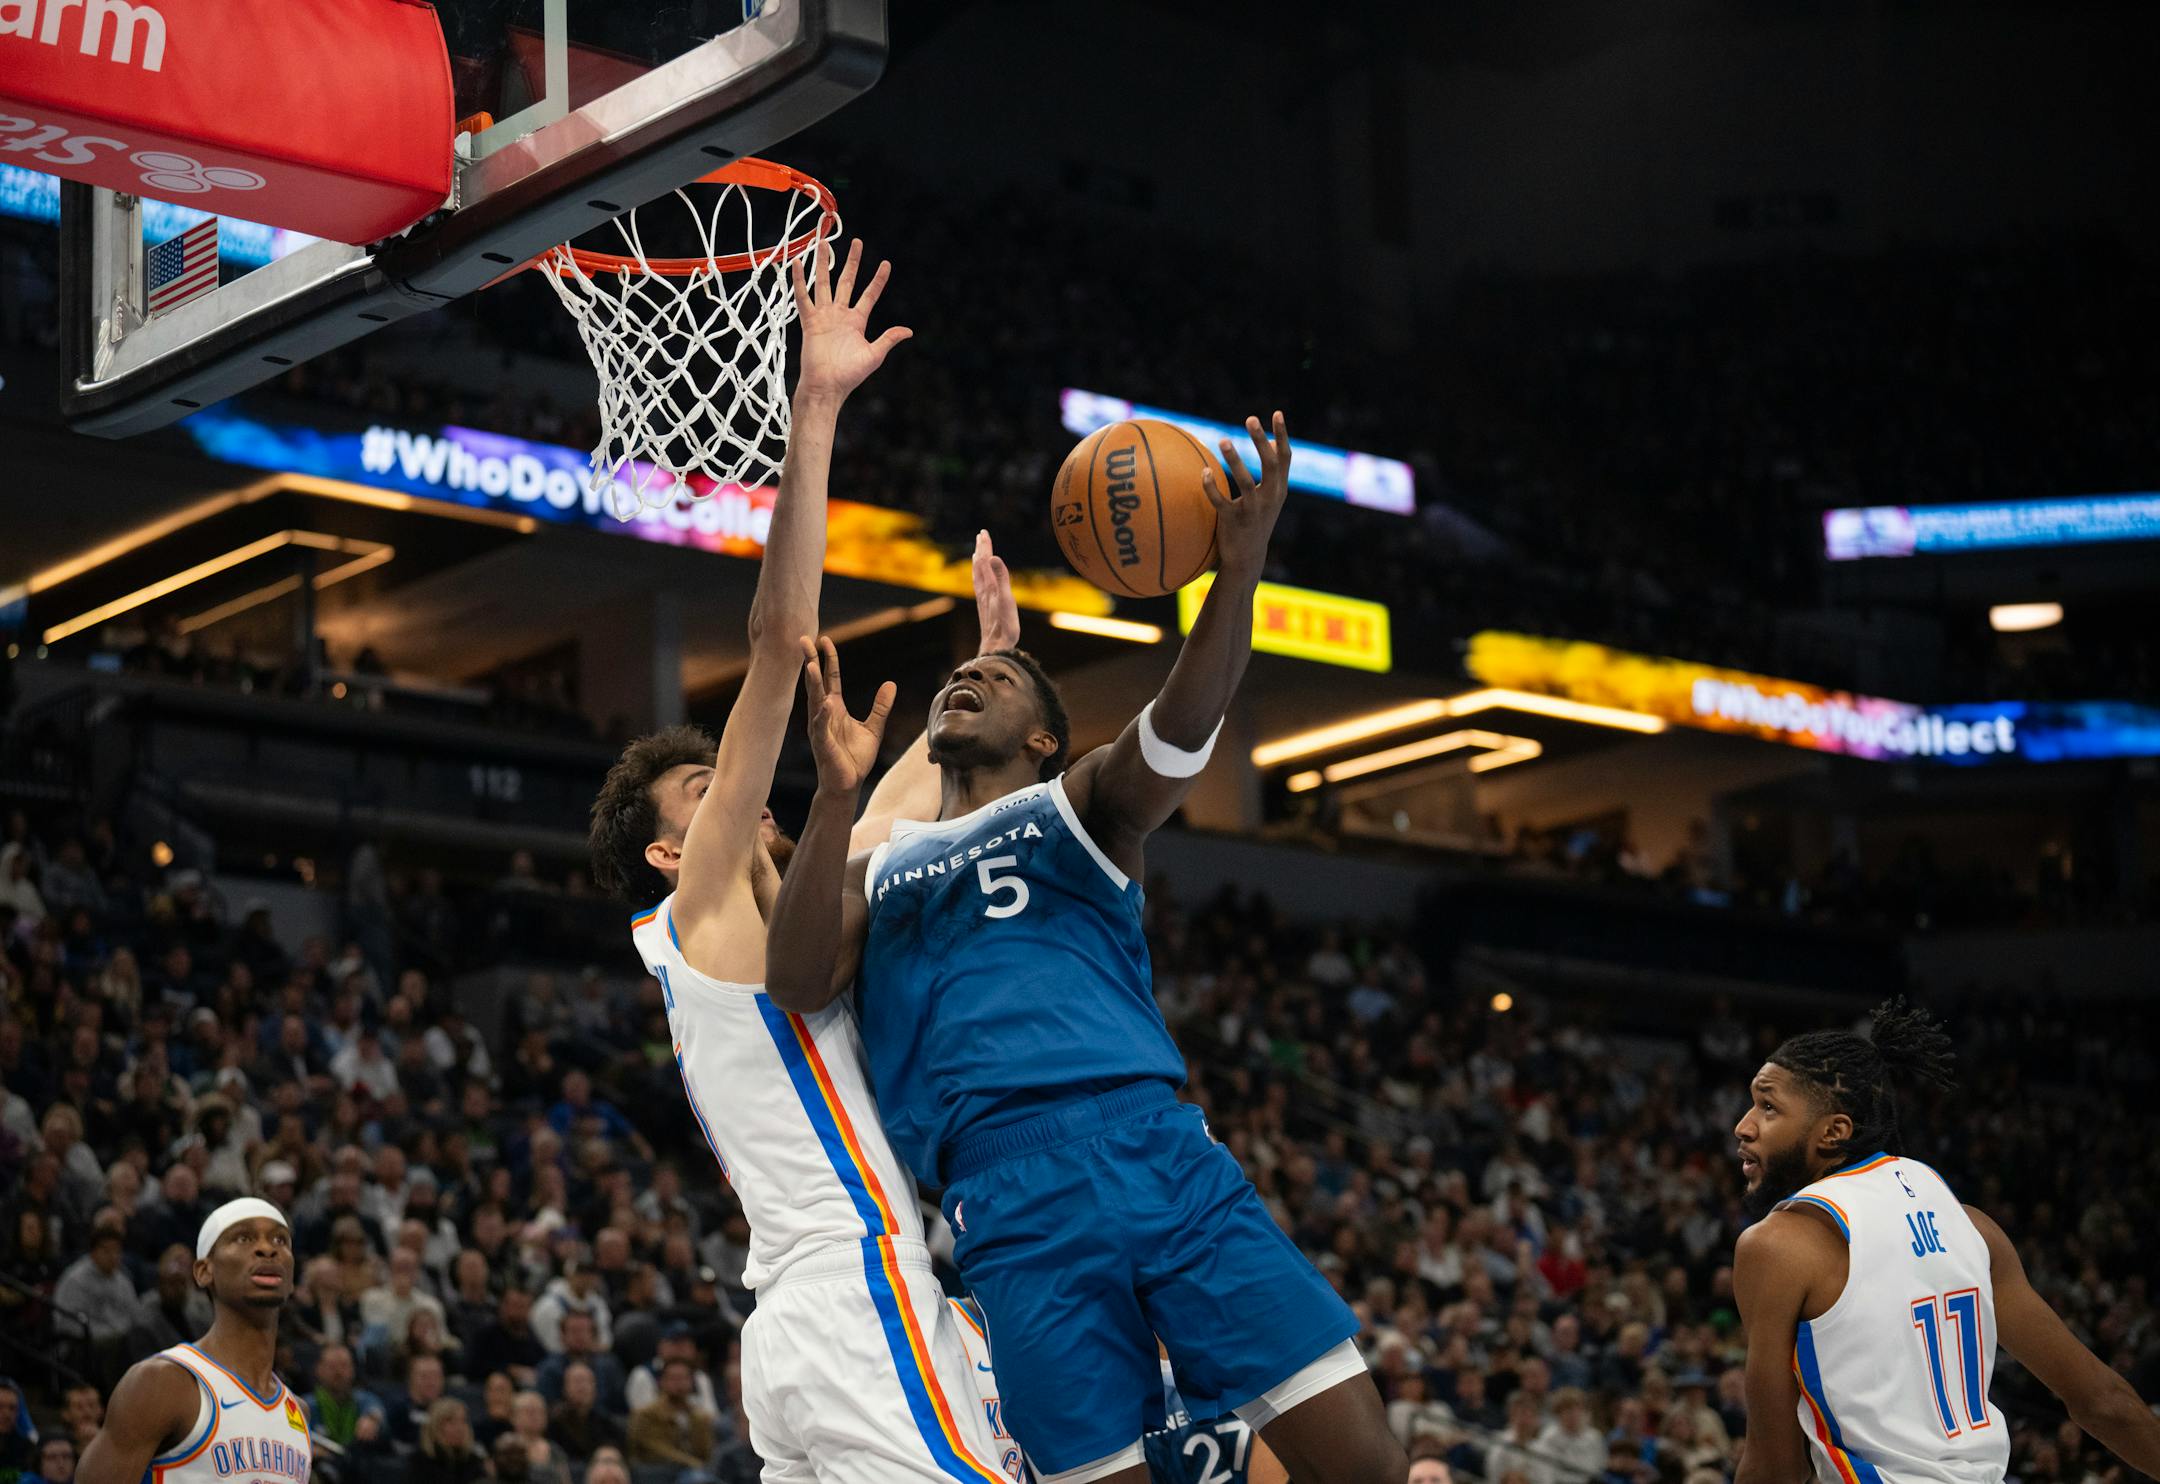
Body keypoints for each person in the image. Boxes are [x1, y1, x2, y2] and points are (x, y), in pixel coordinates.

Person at [766, 413, 1405, 1484]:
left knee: (1367, 1467)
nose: (963, 679)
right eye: (954, 677)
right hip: (1005, 1198)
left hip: (1155, 1146)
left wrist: (1234, 577)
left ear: (1045, 737)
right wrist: (833, 798)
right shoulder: (881, 858)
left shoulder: (1081, 805)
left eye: (996, 677)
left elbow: (1183, 726)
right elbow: (793, 977)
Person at [586, 239, 1013, 1484]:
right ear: (674, 846)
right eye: (705, 788)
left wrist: (987, 664)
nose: (737, 793)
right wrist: (813, 408)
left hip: (793, 1318)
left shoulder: (786, 908)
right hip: (851, 1281)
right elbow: (780, 647)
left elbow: (891, 794)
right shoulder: (703, 899)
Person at [1732, 998, 2160, 1484]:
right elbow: (2101, 1401)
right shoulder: (1973, 1227)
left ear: (1834, 1132)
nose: (1743, 1126)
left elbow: (1774, 1468)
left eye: (1768, 1107)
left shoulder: (1777, 1245)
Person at [74, 1199, 312, 1484]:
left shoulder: (297, 1412)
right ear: (203, 1271)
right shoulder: (163, 1382)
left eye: (280, 1240)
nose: (268, 1248)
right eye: (244, 1237)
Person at [627, 1358, 714, 1476]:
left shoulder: (699, 1417)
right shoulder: (646, 1415)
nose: (680, 1384)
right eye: (674, 1379)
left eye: (684, 1378)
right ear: (662, 1382)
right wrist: (693, 1464)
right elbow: (658, 1451)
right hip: (657, 1474)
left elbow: (706, 1453)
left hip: (694, 1474)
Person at [409, 1398, 490, 1484]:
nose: (459, 1428)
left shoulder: (473, 1461)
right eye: (450, 1421)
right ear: (435, 1426)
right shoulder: (419, 1462)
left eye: (463, 1421)